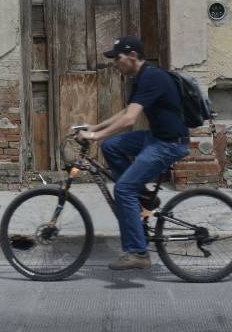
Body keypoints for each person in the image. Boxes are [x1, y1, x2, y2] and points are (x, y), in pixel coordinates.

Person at [78, 35, 190, 270]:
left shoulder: (151, 77)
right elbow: (125, 111)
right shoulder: (140, 78)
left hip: (169, 144)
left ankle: (138, 252)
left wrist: (95, 137)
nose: (114, 64)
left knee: (123, 189)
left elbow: (130, 119)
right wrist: (96, 128)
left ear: (132, 57)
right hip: (156, 138)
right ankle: (142, 197)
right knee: (112, 146)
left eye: (117, 59)